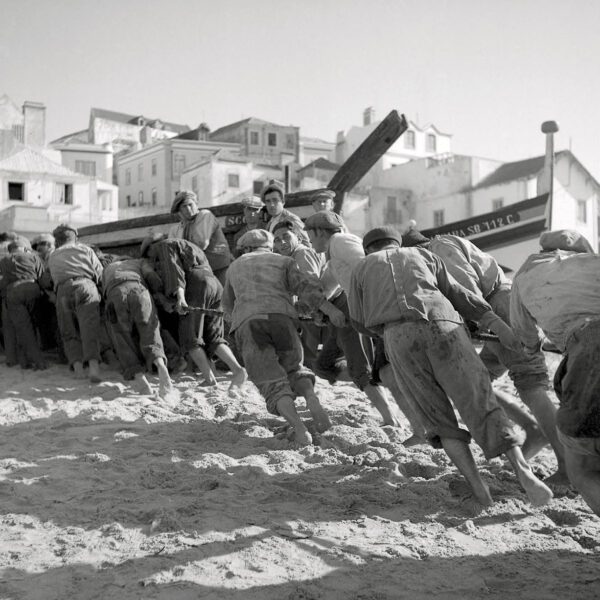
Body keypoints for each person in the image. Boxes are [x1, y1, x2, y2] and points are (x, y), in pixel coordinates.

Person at [349, 226, 553, 507]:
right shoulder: (424, 255)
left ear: (368, 249)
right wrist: (497, 326)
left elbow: (357, 321)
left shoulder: (361, 268)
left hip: (398, 337)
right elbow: (460, 295)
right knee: (479, 401)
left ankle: (480, 490)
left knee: (438, 419)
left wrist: (385, 331)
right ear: (396, 242)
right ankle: (523, 471)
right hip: (444, 325)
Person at [402, 228, 566, 483]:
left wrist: (470, 322)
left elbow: (467, 290)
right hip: (495, 308)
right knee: (480, 378)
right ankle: (534, 431)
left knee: (531, 384)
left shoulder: (439, 248)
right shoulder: (439, 249)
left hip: (498, 307)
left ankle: (567, 465)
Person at [223, 229, 344, 445]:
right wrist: (329, 310)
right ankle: (311, 399)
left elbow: (227, 306)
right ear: (269, 246)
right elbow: (306, 288)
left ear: (246, 248)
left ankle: (300, 429)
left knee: (271, 382)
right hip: (283, 320)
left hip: (250, 323)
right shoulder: (283, 261)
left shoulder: (235, 266)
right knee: (295, 369)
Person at [511, 229, 600, 516]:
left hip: (588, 351)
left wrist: (539, 343)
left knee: (583, 468)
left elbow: (526, 339)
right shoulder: (593, 262)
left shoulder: (525, 276)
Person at [304, 211, 404, 428]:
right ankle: (380, 381)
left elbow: (370, 266)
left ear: (321, 232)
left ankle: (389, 418)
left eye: (311, 237)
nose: (310, 243)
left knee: (361, 368)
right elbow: (327, 287)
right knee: (324, 366)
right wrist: (321, 309)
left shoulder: (340, 241)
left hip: (360, 311)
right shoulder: (332, 255)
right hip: (353, 311)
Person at [141, 233, 247, 393]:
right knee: (214, 336)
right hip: (214, 284)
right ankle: (238, 370)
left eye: (150, 255)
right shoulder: (188, 245)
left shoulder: (165, 245)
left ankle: (209, 378)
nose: (152, 259)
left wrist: (180, 298)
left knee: (189, 336)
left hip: (196, 285)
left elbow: (174, 272)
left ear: (152, 246)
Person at [102, 257, 175, 400]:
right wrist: (161, 292)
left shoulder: (107, 269)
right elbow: (152, 277)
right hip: (139, 289)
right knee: (150, 330)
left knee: (122, 338)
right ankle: (160, 364)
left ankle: (141, 380)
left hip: (114, 293)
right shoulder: (139, 262)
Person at [47, 224, 103, 382]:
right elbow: (99, 273)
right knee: (89, 328)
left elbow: (49, 279)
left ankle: (78, 369)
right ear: (75, 237)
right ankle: (94, 368)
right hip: (85, 286)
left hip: (63, 291)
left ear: (57, 241)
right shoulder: (85, 250)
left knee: (69, 330)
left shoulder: (52, 255)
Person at [273, 219, 326, 369]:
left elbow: (312, 287)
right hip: (310, 313)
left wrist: (299, 309)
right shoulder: (293, 255)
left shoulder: (302, 253)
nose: (282, 242)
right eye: (277, 240)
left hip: (313, 314)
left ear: (298, 236)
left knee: (310, 362)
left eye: (286, 236)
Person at [0, 236, 47, 369]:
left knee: (23, 327)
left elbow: (2, 282)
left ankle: (38, 361)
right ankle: (25, 360)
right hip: (34, 290)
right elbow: (43, 279)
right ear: (26, 248)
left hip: (14, 293)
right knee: (32, 325)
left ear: (11, 250)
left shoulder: (4, 260)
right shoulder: (34, 257)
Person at [168, 190, 232, 285]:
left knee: (225, 298)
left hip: (219, 269)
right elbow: (172, 253)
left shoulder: (205, 215)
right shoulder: (176, 229)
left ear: (196, 203)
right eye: (184, 207)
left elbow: (201, 243)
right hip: (197, 272)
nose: (188, 209)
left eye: (190, 205)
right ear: (179, 211)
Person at [261, 180, 310, 245]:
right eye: (268, 201)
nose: (271, 204)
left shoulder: (291, 219)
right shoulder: (270, 222)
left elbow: (306, 243)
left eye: (275, 200)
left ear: (283, 202)